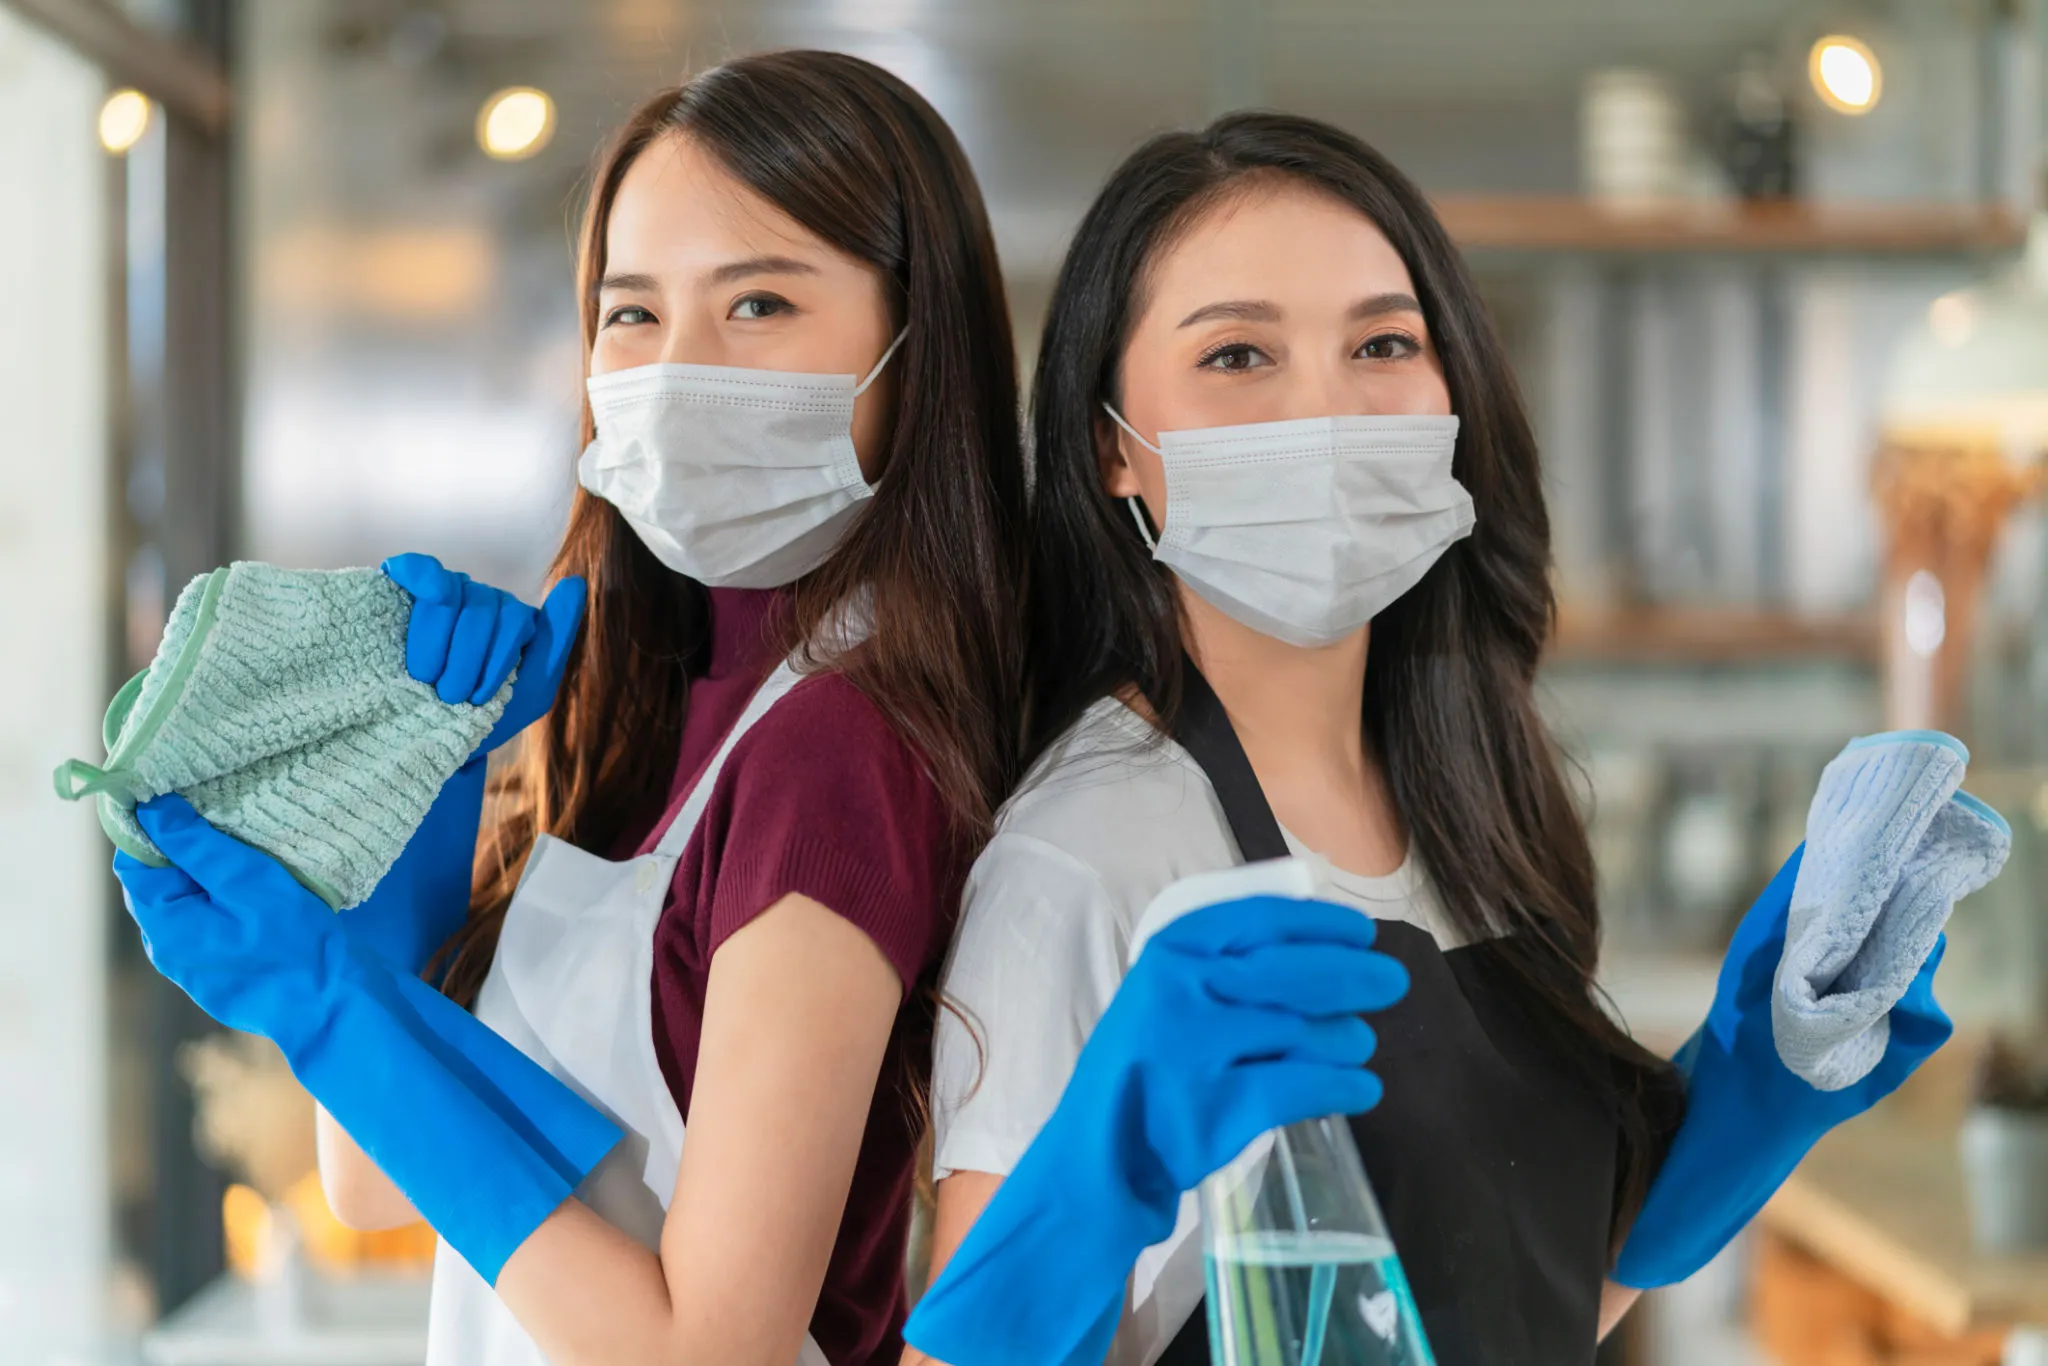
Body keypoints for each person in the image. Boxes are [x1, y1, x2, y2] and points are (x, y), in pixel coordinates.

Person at [117, 49, 1025, 1366]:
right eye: (632, 313)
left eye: (760, 303)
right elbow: (379, 1186)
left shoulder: (837, 748)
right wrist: (419, 825)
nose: (675, 369)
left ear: (914, 348)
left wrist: (325, 1001)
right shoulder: (623, 705)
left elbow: (705, 1344)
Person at [905, 111, 1687, 1366]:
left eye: (1381, 342)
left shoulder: (1480, 800)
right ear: (1110, 444)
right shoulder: (1090, 853)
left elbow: (1481, 1306)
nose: (1323, 408)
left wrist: (1747, 1118)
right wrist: (1108, 1166)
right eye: (1235, 356)